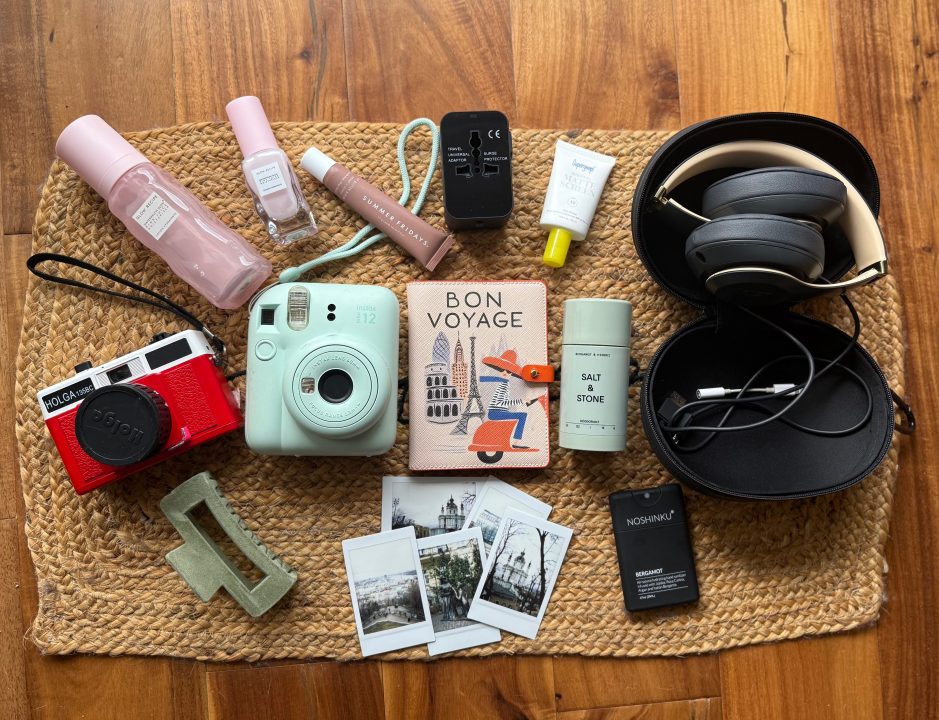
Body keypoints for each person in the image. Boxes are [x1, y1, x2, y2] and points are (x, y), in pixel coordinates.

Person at [479, 349, 541, 449]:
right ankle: (516, 441)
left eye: (508, 371)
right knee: (522, 416)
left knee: (521, 414)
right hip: (496, 413)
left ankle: (514, 439)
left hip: (497, 412)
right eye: (502, 370)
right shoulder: (503, 385)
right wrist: (521, 401)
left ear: (511, 373)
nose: (505, 372)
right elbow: (502, 403)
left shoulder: (504, 384)